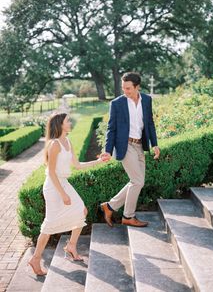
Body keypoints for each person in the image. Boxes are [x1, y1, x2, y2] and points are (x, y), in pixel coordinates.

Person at [28, 113, 107, 276]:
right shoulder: (54, 144)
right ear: (60, 124)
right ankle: (35, 258)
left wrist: (98, 161)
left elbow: (77, 165)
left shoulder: (68, 142)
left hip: (64, 183)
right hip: (53, 186)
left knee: (81, 211)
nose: (70, 123)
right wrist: (63, 194)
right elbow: (51, 172)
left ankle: (71, 245)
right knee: (49, 224)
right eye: (67, 121)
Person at [100, 72, 160, 227]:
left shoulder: (146, 100)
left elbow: (150, 123)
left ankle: (110, 206)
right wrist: (107, 150)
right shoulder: (117, 103)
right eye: (123, 88)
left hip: (140, 145)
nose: (125, 91)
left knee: (137, 182)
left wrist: (155, 144)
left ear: (137, 87)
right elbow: (111, 128)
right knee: (137, 181)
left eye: (128, 88)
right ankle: (128, 216)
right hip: (125, 146)